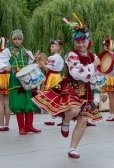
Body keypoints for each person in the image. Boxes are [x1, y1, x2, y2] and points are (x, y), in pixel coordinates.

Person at [33, 20, 102, 158]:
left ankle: (72, 148)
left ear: (88, 42)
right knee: (74, 109)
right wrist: (93, 66)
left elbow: (101, 72)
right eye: (78, 42)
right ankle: (65, 121)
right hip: (71, 87)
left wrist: (112, 65)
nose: (81, 44)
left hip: (86, 90)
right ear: (74, 42)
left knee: (83, 120)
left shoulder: (92, 56)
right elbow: (78, 73)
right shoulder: (71, 55)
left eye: (83, 41)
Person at [0, 29, 41, 135]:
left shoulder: (27, 51)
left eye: (19, 39)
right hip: (15, 80)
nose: (17, 41)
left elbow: (30, 65)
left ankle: (29, 126)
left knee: (29, 103)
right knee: (18, 104)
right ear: (13, 40)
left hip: (27, 80)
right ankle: (21, 128)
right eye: (15, 39)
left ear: (22, 40)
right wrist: (5, 66)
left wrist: (33, 59)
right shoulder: (8, 51)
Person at [42, 38, 65, 125]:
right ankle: (55, 118)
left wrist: (40, 62)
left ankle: (53, 119)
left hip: (52, 77)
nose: (50, 47)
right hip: (57, 76)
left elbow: (47, 69)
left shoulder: (53, 57)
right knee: (56, 98)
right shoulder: (60, 58)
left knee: (52, 98)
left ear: (58, 48)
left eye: (52, 46)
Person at [100, 37, 114, 121]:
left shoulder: (108, 54)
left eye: (105, 45)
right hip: (112, 76)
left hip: (109, 76)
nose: (104, 46)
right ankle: (112, 114)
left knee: (111, 97)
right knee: (111, 96)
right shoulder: (113, 54)